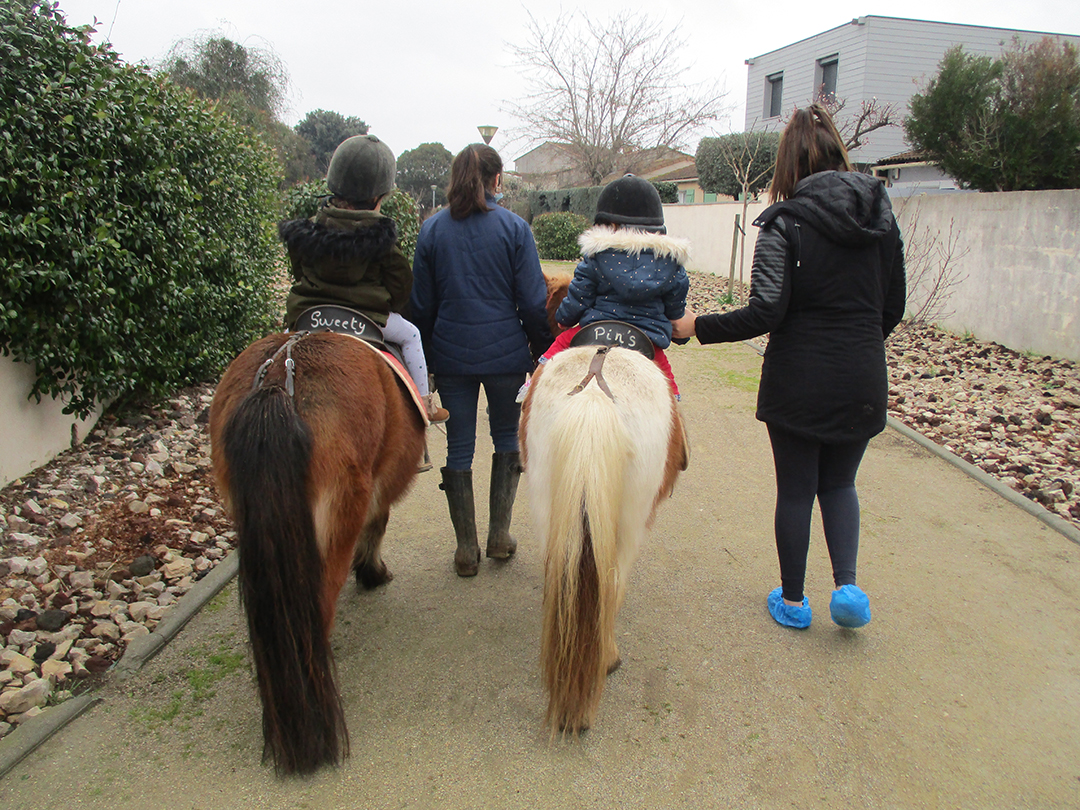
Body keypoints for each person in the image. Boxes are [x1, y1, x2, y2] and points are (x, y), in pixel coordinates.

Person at [671, 104, 906, 630]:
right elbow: (893, 307)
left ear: (787, 166)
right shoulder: (881, 220)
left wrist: (695, 327)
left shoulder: (785, 223)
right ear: (839, 153)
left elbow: (765, 310)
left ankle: (795, 602)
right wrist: (855, 348)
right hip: (862, 376)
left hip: (799, 380)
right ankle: (847, 589)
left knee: (797, 490)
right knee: (841, 484)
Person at [410, 143, 553, 577]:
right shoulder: (514, 229)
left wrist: (429, 359)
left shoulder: (432, 231)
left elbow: (421, 305)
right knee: (507, 436)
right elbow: (532, 300)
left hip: (452, 355)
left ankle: (465, 549)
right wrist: (540, 349)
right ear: (496, 180)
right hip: (507, 353)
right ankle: (499, 537)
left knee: (459, 446)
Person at [279, 133, 448, 424]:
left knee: (278, 353)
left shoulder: (304, 232)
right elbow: (399, 291)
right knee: (411, 335)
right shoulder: (382, 240)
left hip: (309, 315)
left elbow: (298, 273)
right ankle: (425, 404)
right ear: (377, 197)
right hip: (368, 319)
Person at [537, 173, 689, 399]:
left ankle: (528, 396)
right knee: (671, 396)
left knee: (543, 370)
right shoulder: (671, 264)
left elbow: (579, 297)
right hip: (648, 340)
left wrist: (564, 318)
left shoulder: (597, 257)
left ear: (611, 225)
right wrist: (680, 332)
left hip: (594, 329)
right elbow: (675, 309)